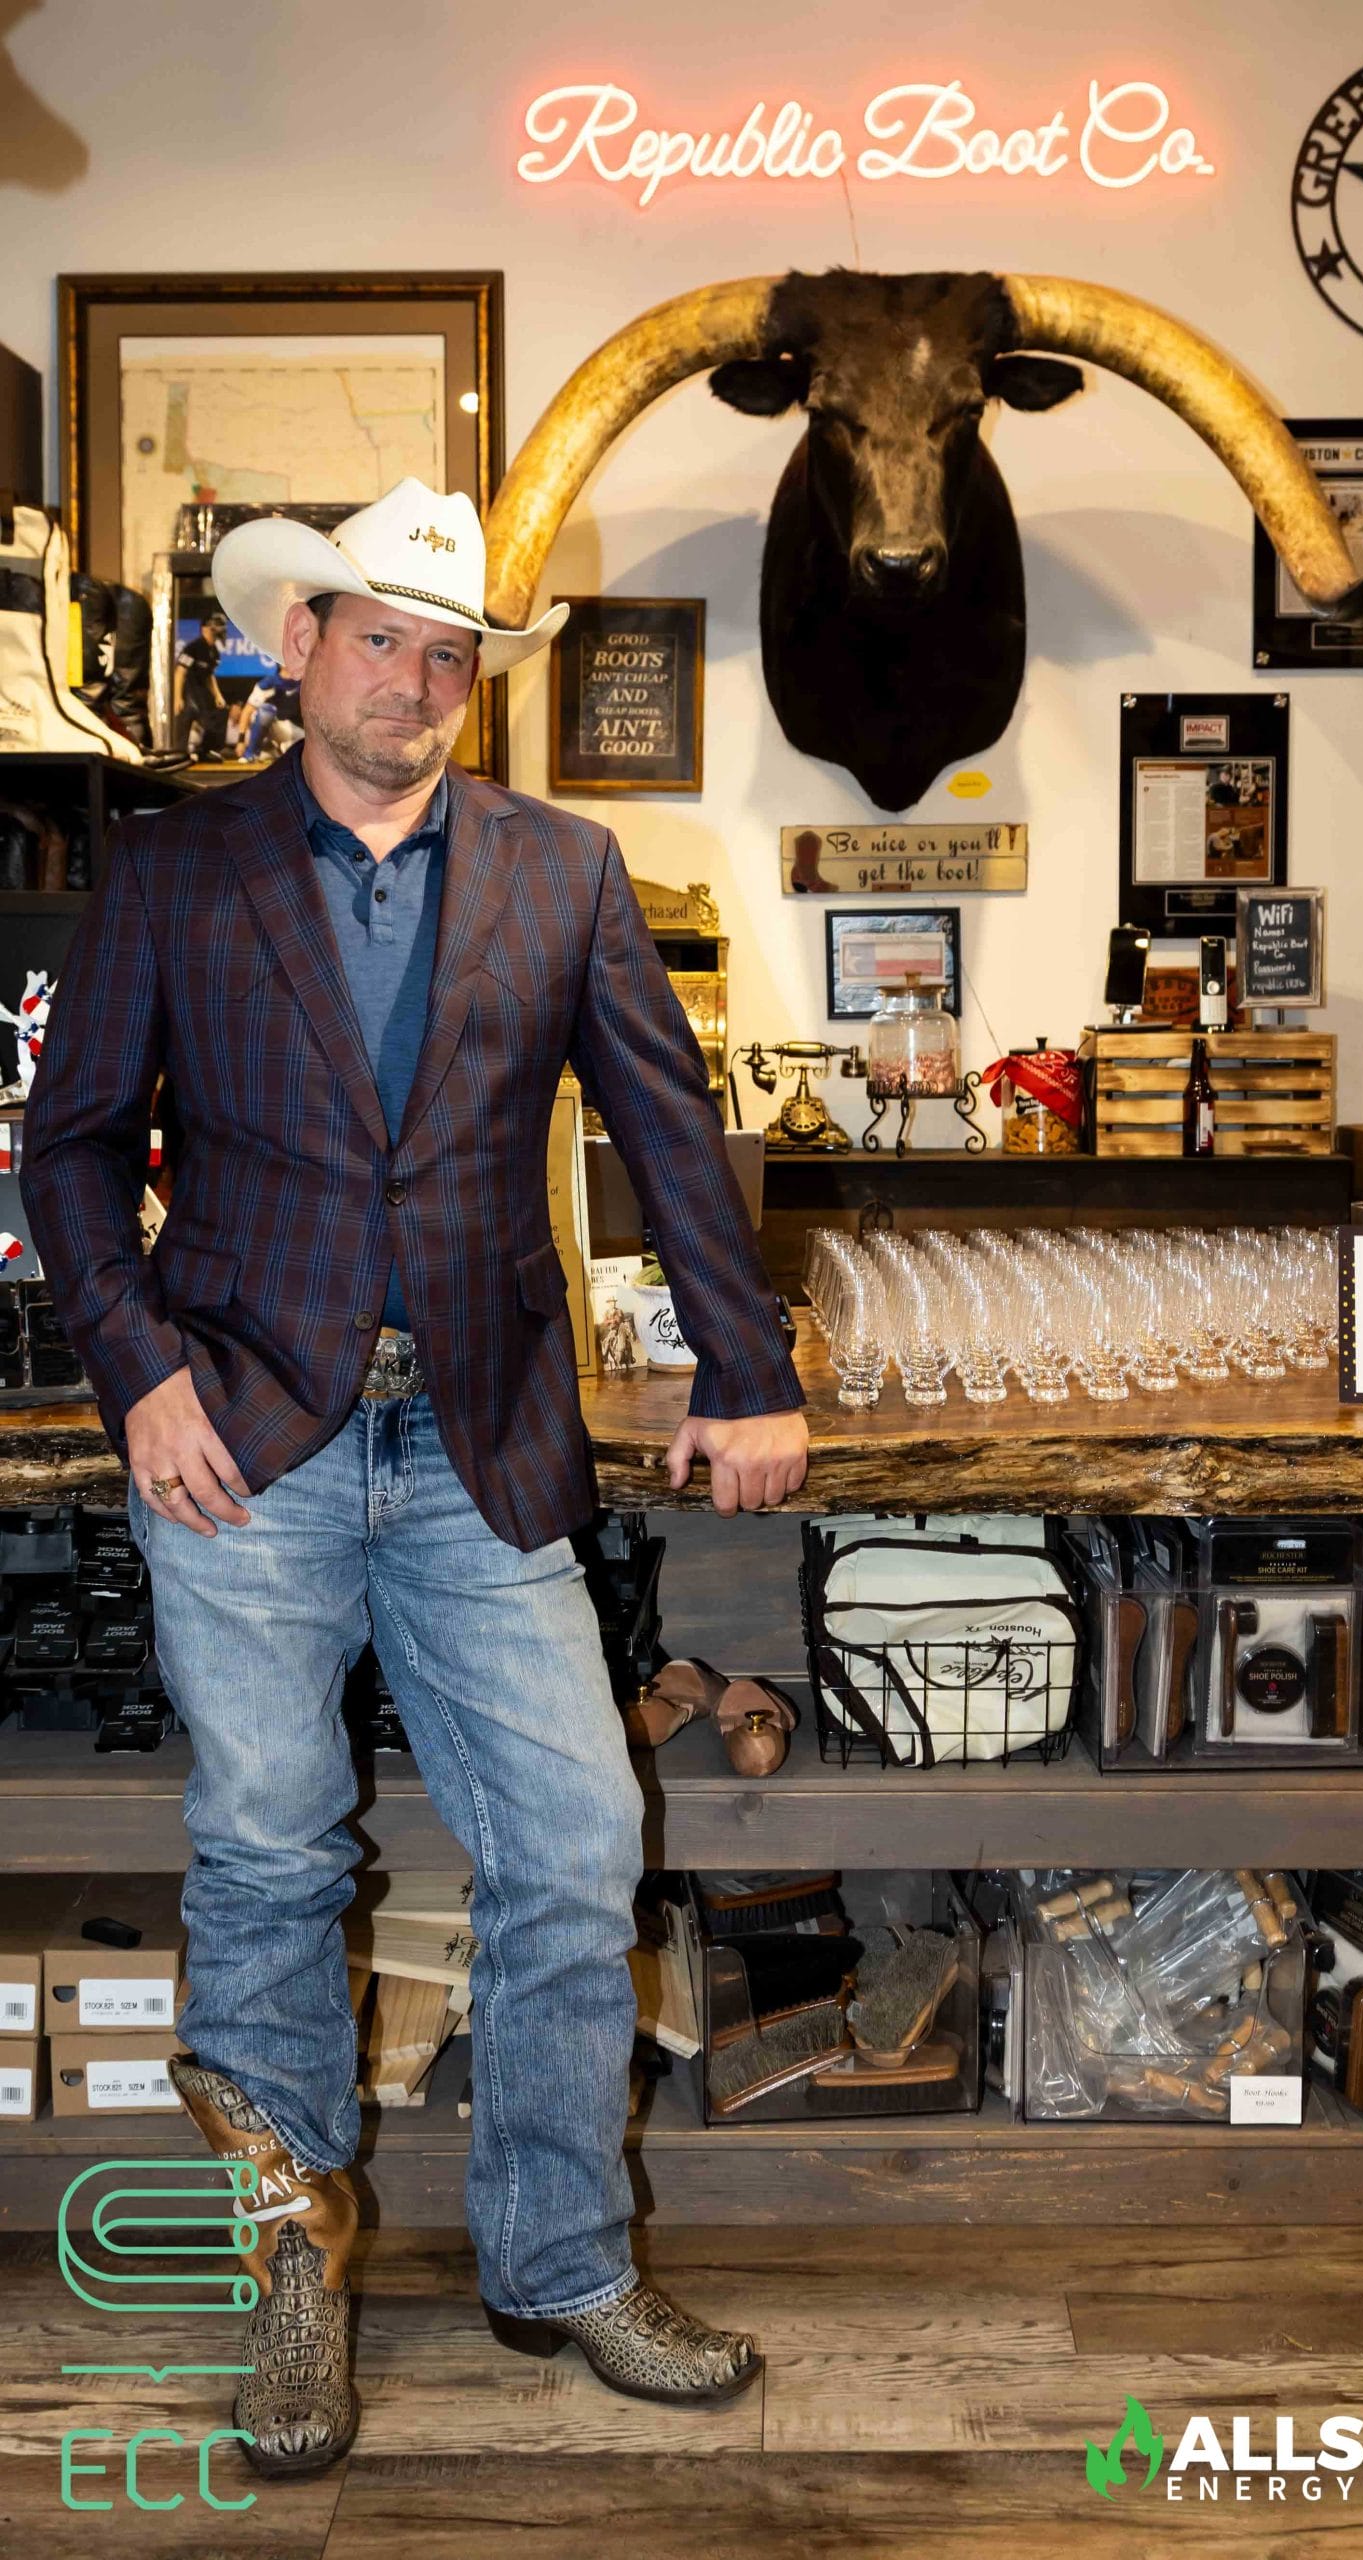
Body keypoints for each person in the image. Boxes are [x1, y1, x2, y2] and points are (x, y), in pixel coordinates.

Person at [21, 477, 809, 2479]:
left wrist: (747, 1370)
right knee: (269, 1855)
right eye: (380, 638)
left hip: (481, 1440)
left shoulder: (563, 868)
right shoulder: (178, 867)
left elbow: (666, 1131)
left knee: (575, 1843)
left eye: (449, 653)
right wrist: (137, 1374)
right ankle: (292, 2273)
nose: (416, 679)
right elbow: (69, 1147)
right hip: (243, 1437)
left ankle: (561, 2265)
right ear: (302, 644)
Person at [173, 606, 231, 758]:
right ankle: (179, 754)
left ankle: (206, 751)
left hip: (202, 692)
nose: (218, 628)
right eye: (215, 624)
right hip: (188, 692)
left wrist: (217, 695)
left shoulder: (214, 652)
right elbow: (180, 672)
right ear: (205, 628)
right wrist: (177, 698)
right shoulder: (192, 648)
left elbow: (209, 675)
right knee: (185, 722)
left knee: (218, 716)